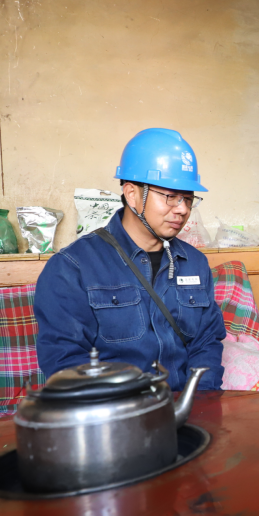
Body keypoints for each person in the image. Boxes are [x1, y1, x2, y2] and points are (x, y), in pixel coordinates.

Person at [34, 128, 226, 391]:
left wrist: (201, 403)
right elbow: (65, 361)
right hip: (114, 411)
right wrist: (128, 411)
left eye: (188, 199)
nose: (182, 209)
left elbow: (206, 344)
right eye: (171, 197)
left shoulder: (195, 263)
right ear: (132, 194)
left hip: (186, 407)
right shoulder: (72, 267)